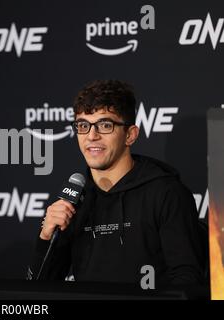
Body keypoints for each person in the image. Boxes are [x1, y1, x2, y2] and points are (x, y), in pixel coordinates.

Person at [28, 80, 205, 286]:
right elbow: (41, 290)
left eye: (105, 125)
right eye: (83, 125)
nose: (92, 136)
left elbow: (187, 281)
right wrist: (46, 238)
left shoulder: (166, 193)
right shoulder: (74, 200)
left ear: (130, 135)